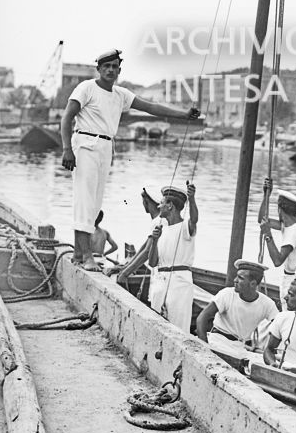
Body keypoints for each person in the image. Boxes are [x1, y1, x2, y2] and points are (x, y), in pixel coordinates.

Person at [60, 49, 200, 271]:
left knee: (94, 204)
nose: (110, 70)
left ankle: (78, 253)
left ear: (119, 70)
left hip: (106, 147)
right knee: (85, 201)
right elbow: (67, 118)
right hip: (85, 144)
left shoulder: (120, 94)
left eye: (115, 67)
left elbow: (150, 107)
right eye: (106, 66)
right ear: (99, 69)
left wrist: (183, 114)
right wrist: (67, 149)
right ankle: (87, 256)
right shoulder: (86, 88)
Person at [196, 259, 279, 364]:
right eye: (236, 276)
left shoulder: (267, 304)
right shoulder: (226, 295)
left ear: (253, 284)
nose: (235, 280)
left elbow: (279, 325)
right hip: (217, 341)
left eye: (240, 278)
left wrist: (270, 349)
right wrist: (205, 347)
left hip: (240, 348)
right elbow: (202, 318)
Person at [146, 182, 199, 335]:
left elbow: (194, 220)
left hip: (180, 281)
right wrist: (155, 240)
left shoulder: (185, 227)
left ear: (170, 206)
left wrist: (192, 199)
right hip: (161, 280)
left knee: (178, 328)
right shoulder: (161, 229)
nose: (158, 207)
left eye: (161, 203)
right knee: (155, 324)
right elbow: (152, 262)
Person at [258, 183, 296, 304]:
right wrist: (266, 195)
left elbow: (277, 261)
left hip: (294, 282)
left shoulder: (293, 231)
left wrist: (268, 234)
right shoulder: (289, 226)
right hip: (293, 279)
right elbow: (261, 219)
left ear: (280, 210)